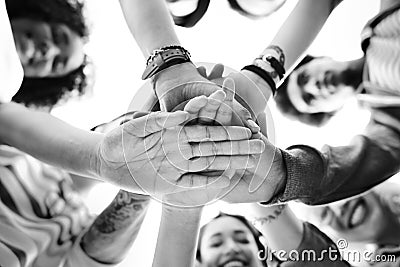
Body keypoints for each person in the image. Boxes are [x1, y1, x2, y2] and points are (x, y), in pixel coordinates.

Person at [274, 55, 365, 126]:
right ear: (331, 110)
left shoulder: (374, 34)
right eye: (309, 98)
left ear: (318, 59)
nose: (314, 86)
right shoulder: (378, 122)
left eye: (304, 77)